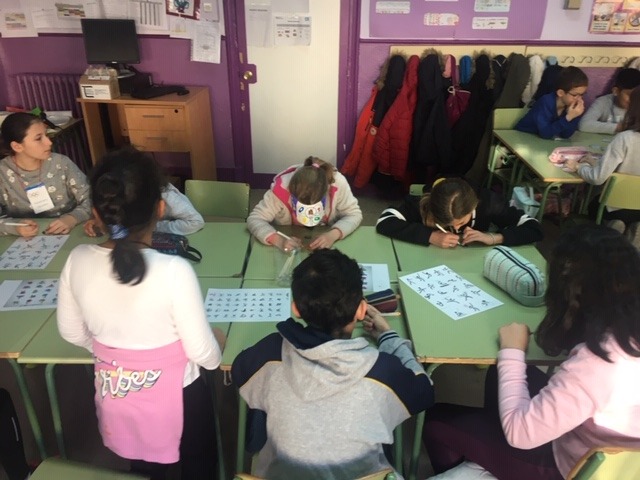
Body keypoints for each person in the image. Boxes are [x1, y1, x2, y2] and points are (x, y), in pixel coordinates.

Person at [423, 224, 640, 480]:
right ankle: (490, 452)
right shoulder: (624, 334)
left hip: (566, 466)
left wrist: (512, 349)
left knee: (436, 422)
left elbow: (521, 434)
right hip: (617, 458)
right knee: (500, 374)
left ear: (574, 294)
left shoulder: (597, 363)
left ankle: (481, 466)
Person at [57, 147, 222, 480]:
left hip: (118, 393)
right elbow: (206, 356)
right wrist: (218, 342)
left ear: (96, 213)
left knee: (143, 467)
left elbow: (71, 332)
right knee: (198, 464)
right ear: (160, 209)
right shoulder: (174, 270)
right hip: (181, 398)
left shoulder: (77, 259)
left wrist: (120, 357)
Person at [232, 248, 434, 480]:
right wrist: (388, 337)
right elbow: (425, 392)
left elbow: (239, 371)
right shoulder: (383, 371)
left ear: (295, 308)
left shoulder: (269, 354)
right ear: (361, 310)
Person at [376, 178, 543, 249]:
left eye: (461, 222)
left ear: (473, 207)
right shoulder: (426, 205)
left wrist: (493, 238)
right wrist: (430, 236)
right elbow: (385, 221)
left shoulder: (489, 203)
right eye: (447, 224)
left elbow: (534, 229)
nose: (456, 229)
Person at [0, 112, 91, 236]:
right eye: (38, 138)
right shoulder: (2, 173)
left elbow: (91, 198)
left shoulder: (61, 164)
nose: (49, 142)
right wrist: (14, 228)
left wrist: (72, 218)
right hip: (24, 240)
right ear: (17, 146)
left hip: (69, 232)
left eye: (46, 135)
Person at [247, 156, 363, 251]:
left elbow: (354, 214)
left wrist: (333, 234)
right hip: (289, 236)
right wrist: (278, 240)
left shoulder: (337, 184)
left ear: (326, 191)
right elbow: (255, 219)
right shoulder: (281, 190)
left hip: (326, 235)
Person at [564, 86, 640, 228]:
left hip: (615, 207)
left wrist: (579, 166)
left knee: (594, 203)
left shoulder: (625, 138)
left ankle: (611, 225)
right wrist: (596, 163)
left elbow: (597, 178)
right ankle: (631, 228)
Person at [84, 180, 204, 236]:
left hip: (169, 237)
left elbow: (196, 222)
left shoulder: (168, 196)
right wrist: (102, 221)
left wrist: (150, 226)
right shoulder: (126, 192)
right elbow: (121, 216)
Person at [515, 66, 588, 139]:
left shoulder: (571, 106)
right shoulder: (545, 102)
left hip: (540, 140)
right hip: (521, 137)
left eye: (582, 94)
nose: (579, 99)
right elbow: (545, 134)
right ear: (560, 93)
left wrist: (574, 117)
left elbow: (565, 135)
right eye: (575, 95)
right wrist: (568, 117)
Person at [579, 67, 640, 134]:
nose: (634, 99)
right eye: (630, 95)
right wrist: (620, 127)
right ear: (616, 91)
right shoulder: (603, 102)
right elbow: (584, 125)